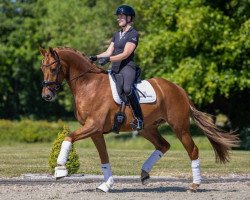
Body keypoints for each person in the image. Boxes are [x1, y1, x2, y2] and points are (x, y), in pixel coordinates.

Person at [89, 5, 143, 131]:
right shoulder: (116, 34)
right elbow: (109, 52)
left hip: (127, 66)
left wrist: (109, 59)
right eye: (118, 17)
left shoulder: (133, 34)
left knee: (127, 89)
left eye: (121, 16)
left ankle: (139, 118)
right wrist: (94, 57)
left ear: (129, 18)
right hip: (115, 67)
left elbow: (125, 54)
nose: (118, 19)